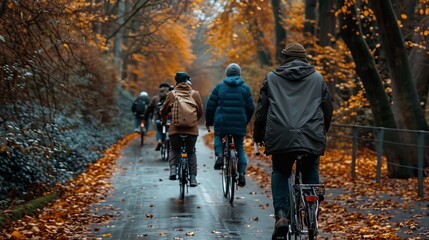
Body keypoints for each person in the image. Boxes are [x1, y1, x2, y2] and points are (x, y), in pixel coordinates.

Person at [252, 43, 333, 238]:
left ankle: (281, 215)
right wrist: (322, 132)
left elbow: (262, 110)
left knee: (280, 170)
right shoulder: (318, 78)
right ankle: (312, 206)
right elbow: (327, 109)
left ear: (285, 58)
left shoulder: (271, 78)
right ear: (305, 58)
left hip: (281, 136)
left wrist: (258, 135)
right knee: (310, 167)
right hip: (311, 135)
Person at [205, 63, 254, 187]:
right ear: (239, 73)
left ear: (227, 73)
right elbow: (251, 107)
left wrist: (209, 121)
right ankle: (242, 174)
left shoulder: (219, 87)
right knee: (240, 148)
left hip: (222, 121)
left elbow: (210, 106)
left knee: (218, 137)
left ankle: (220, 156)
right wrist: (245, 121)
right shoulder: (245, 88)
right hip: (239, 122)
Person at [160, 72, 203, 187]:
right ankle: (193, 178)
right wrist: (194, 121)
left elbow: (163, 111)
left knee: (174, 149)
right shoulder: (195, 94)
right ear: (188, 82)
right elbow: (200, 112)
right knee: (191, 152)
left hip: (175, 130)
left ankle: (173, 169)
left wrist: (164, 122)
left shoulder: (171, 94)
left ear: (177, 82)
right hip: (192, 131)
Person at [144, 82, 171, 151]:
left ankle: (159, 140)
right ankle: (170, 141)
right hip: (170, 119)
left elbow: (149, 108)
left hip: (158, 119)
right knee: (171, 129)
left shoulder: (155, 98)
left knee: (159, 130)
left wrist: (146, 116)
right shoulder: (172, 97)